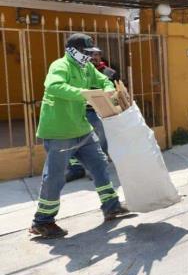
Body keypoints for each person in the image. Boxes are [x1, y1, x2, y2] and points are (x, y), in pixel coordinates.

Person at [29, 33, 130, 239]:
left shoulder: (87, 68)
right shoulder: (60, 66)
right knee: (55, 176)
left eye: (91, 53)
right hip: (60, 131)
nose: (90, 57)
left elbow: (105, 80)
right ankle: (43, 222)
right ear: (73, 51)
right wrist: (85, 94)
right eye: (86, 52)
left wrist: (108, 92)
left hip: (82, 129)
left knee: (100, 164)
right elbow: (54, 86)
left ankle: (111, 207)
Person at [65, 48, 118, 182]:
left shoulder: (108, 71)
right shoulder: (79, 71)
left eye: (97, 55)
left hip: (98, 111)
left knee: (101, 138)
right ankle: (76, 168)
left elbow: (115, 88)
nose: (94, 57)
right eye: (91, 55)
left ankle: (98, 165)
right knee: (73, 138)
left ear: (101, 56)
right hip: (79, 110)